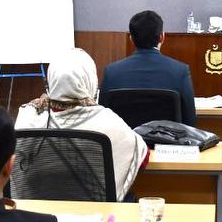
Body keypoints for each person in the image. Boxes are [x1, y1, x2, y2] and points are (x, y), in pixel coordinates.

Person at [15, 47, 149, 200]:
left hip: (36, 213)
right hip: (94, 214)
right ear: (90, 81)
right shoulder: (107, 121)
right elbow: (142, 158)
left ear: (51, 80)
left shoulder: (28, 116)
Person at [99, 10, 197, 126]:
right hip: (167, 138)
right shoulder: (180, 71)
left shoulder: (111, 72)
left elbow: (103, 119)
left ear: (131, 39)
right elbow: (190, 121)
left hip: (124, 138)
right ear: (162, 37)